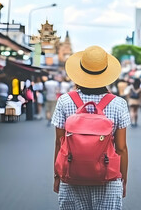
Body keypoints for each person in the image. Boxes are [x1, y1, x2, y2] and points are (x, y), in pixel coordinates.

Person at [52, 46, 130, 209]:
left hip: (71, 177)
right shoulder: (118, 104)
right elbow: (121, 148)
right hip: (108, 179)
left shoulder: (64, 101)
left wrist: (57, 176)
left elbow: (59, 144)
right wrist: (122, 179)